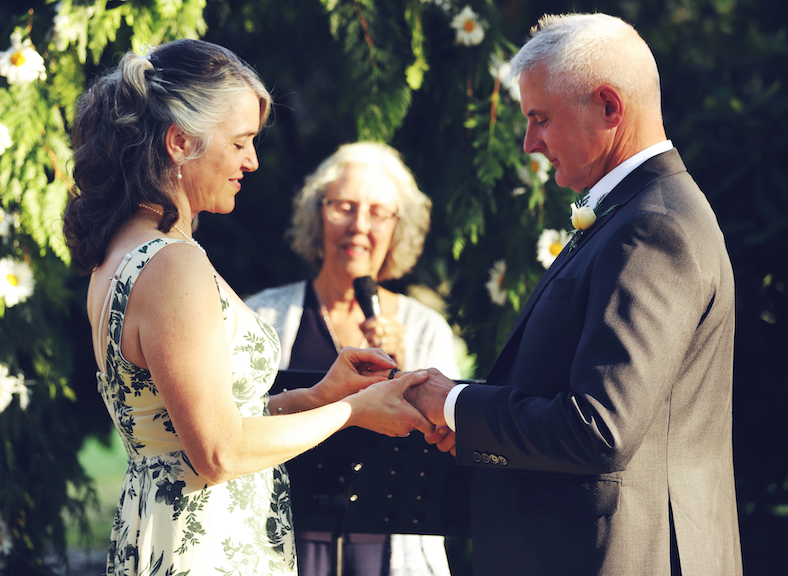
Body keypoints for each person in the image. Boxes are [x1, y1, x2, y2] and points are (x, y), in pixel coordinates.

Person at [62, 39, 432, 576]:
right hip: (208, 547)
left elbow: (196, 428)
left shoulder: (120, 253)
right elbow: (219, 452)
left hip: (161, 530)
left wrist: (318, 396)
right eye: (239, 142)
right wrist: (354, 411)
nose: (252, 161)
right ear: (180, 142)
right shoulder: (173, 264)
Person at [406, 13, 742, 576]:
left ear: (609, 107)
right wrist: (464, 415)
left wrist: (453, 404)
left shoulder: (654, 226)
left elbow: (599, 429)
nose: (529, 143)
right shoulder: (634, 214)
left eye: (540, 119)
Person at [246, 142, 459, 576]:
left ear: (398, 227)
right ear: (317, 214)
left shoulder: (426, 329)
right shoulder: (262, 315)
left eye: (378, 213)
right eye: (344, 207)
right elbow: (235, 426)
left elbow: (445, 451)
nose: (359, 225)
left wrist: (407, 370)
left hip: (392, 552)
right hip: (284, 543)